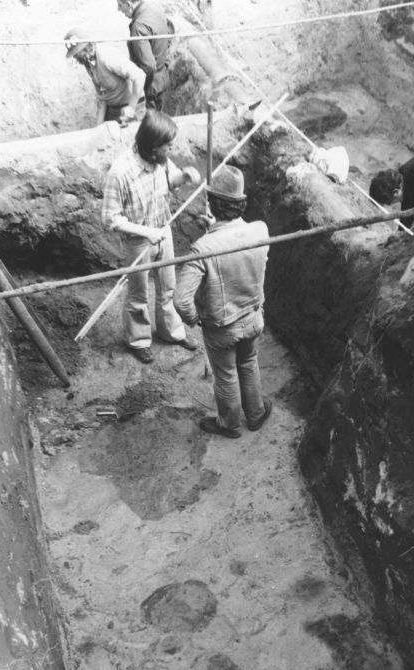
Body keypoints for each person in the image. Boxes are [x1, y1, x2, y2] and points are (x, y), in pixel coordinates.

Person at [175, 165, 272, 439]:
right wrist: (215, 229)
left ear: (213, 204)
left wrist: (196, 320)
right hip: (253, 318)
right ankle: (255, 415)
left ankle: (229, 424)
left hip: (222, 327)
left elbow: (181, 301)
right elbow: (233, 242)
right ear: (241, 203)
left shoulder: (202, 248)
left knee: (226, 373)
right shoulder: (260, 230)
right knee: (248, 363)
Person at [101, 110, 201, 363]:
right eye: (168, 146)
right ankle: (138, 339)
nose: (171, 149)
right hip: (138, 240)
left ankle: (171, 332)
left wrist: (185, 177)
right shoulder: (120, 173)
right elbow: (110, 219)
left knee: (168, 287)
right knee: (138, 295)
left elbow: (169, 182)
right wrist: (147, 232)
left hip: (162, 230)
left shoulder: (161, 161)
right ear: (154, 147)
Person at [64, 27, 146, 126]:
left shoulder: (107, 56)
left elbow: (140, 76)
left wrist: (131, 107)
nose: (75, 57)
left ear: (87, 46)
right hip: (114, 109)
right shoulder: (88, 62)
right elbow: (102, 99)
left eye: (77, 53)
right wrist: (98, 129)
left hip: (133, 107)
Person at [117, 0, 173, 111]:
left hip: (151, 87)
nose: (118, 9)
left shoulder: (138, 26)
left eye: (120, 5)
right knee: (158, 118)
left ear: (129, 4)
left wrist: (141, 88)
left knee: (150, 124)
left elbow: (149, 66)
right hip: (162, 78)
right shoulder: (156, 9)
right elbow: (170, 33)